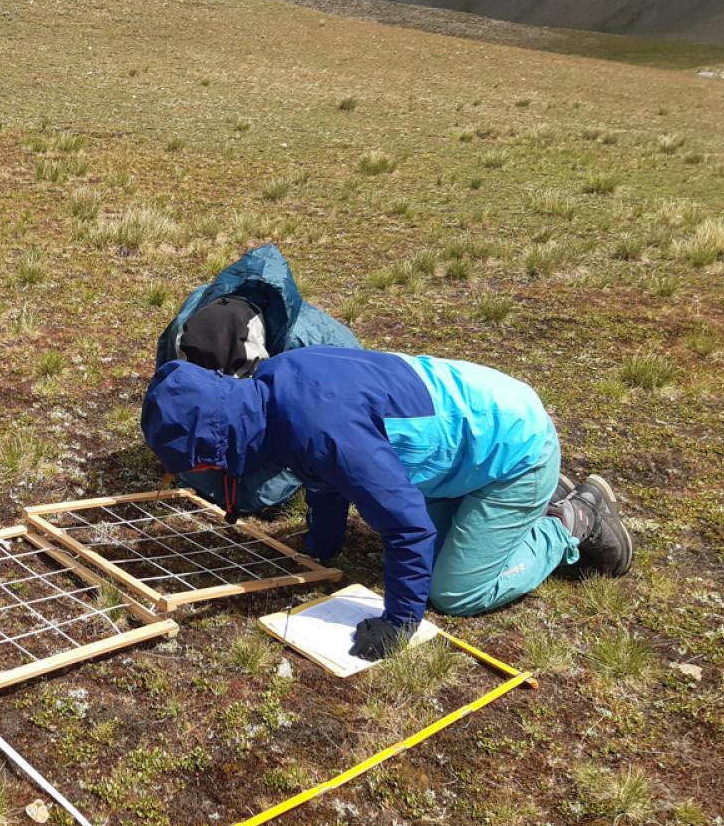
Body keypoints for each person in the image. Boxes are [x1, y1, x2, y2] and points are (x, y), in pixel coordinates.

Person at [141, 346, 633, 659]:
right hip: (471, 442)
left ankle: (572, 519)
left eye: (193, 465)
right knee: (433, 553)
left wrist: (400, 621)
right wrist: (321, 548)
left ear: (213, 447)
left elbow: (407, 529)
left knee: (454, 591)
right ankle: (528, 503)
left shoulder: (325, 431)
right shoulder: (275, 389)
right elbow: (324, 478)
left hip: (516, 449)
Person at [154, 244, 360, 514]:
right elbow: (170, 390)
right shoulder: (189, 320)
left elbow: (314, 430)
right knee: (197, 471)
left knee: (255, 499)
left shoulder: (311, 350)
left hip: (309, 414)